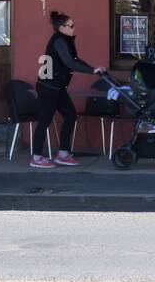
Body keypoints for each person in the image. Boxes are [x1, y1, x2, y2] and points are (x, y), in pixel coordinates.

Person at [31, 10, 107, 169]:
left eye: (74, 25)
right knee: (44, 120)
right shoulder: (59, 41)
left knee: (71, 116)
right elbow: (70, 63)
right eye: (71, 26)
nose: (74, 28)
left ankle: (63, 154)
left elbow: (75, 59)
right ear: (62, 27)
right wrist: (91, 71)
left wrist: (93, 69)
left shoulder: (66, 40)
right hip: (48, 87)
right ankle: (36, 157)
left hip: (57, 87)